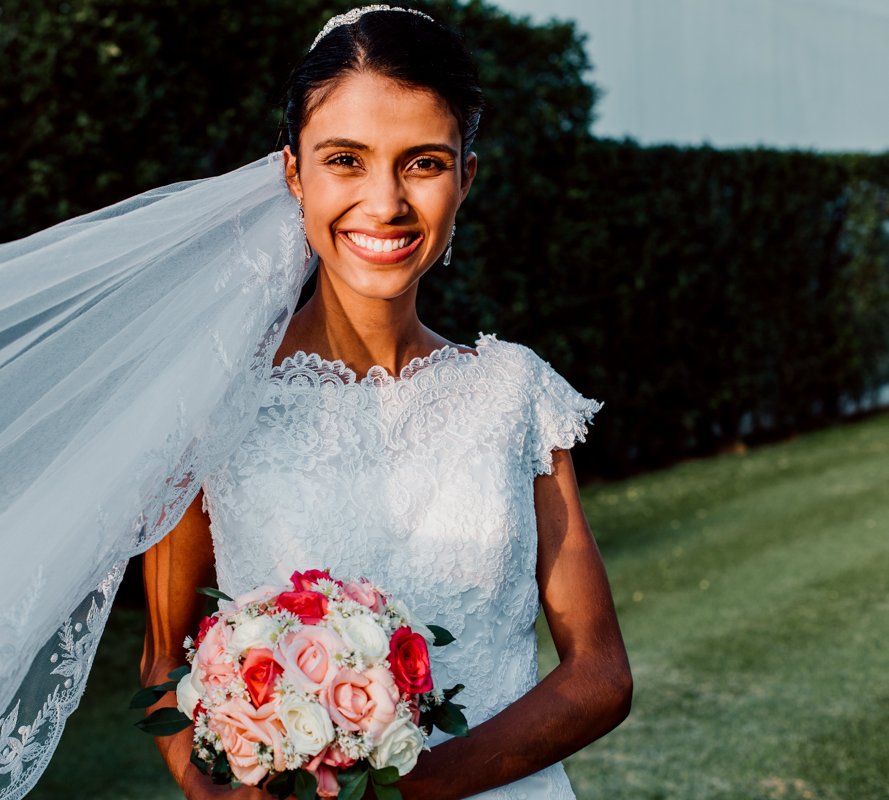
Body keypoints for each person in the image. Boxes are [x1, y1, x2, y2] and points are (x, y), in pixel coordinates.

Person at [141, 7, 632, 799]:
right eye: (345, 159)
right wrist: (219, 794)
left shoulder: (514, 394)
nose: (385, 202)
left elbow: (601, 674)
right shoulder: (212, 408)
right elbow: (164, 660)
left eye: (423, 163)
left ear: (465, 179)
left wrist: (405, 792)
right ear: (294, 172)